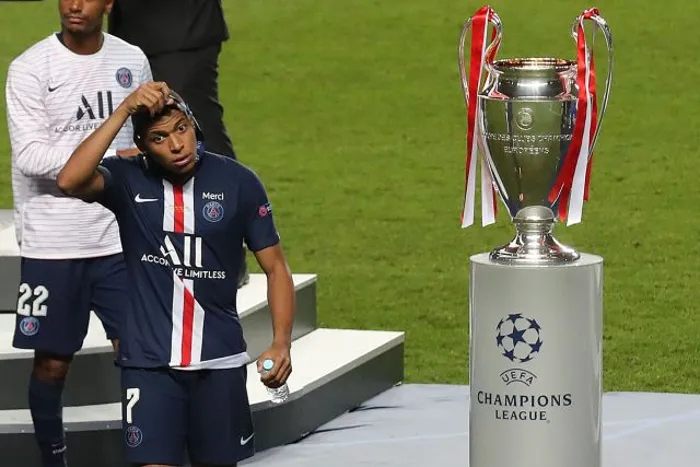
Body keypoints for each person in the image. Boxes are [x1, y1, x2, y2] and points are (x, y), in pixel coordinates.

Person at [56, 82, 296, 467]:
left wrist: (281, 342)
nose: (176, 145)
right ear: (142, 145)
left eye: (181, 129)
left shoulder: (239, 183)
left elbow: (276, 267)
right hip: (148, 365)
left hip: (219, 361)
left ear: (194, 126)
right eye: (159, 138)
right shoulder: (126, 179)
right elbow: (69, 180)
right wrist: (123, 110)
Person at [4, 0, 152, 465]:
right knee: (51, 363)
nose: (73, 4)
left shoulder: (131, 59)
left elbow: (146, 139)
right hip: (54, 241)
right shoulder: (30, 68)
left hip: (119, 238)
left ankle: (151, 453)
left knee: (141, 354)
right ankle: (54, 460)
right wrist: (108, 158)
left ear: (108, 3)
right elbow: (30, 156)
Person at [106, 0, 250, 288]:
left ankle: (225, 254)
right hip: (132, 28)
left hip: (178, 28)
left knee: (191, 131)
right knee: (149, 135)